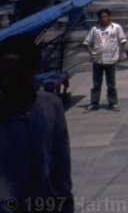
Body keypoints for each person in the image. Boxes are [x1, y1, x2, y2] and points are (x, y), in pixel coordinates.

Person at [0, 34, 74, 212]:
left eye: (17, 71)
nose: (9, 80)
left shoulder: (51, 106)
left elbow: (61, 163)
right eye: (3, 73)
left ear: (31, 69)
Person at [83, 8, 126, 111]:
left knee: (111, 83)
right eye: (101, 17)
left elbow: (122, 41)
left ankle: (113, 102)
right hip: (98, 60)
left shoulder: (116, 28)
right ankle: (94, 103)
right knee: (96, 83)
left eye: (105, 16)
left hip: (110, 60)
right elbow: (86, 43)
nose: (103, 18)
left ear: (109, 16)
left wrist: (119, 54)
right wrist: (92, 54)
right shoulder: (95, 30)